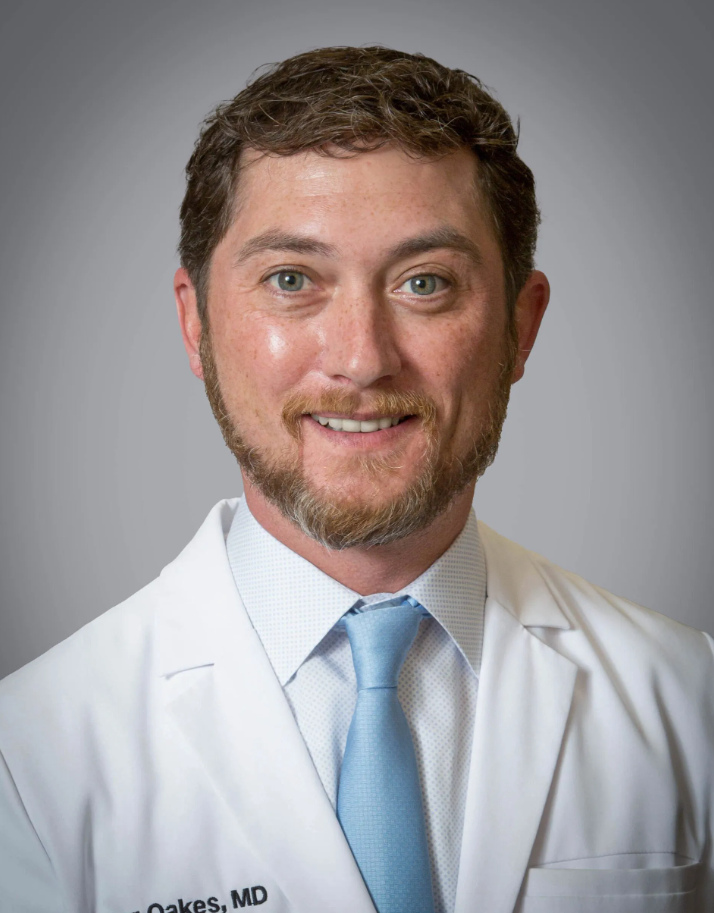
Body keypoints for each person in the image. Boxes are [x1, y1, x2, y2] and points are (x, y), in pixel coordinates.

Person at [0, 45, 712, 913]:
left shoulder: (690, 699)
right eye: (292, 280)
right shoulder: (28, 753)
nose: (362, 359)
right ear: (197, 326)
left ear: (520, 329)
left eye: (426, 283)